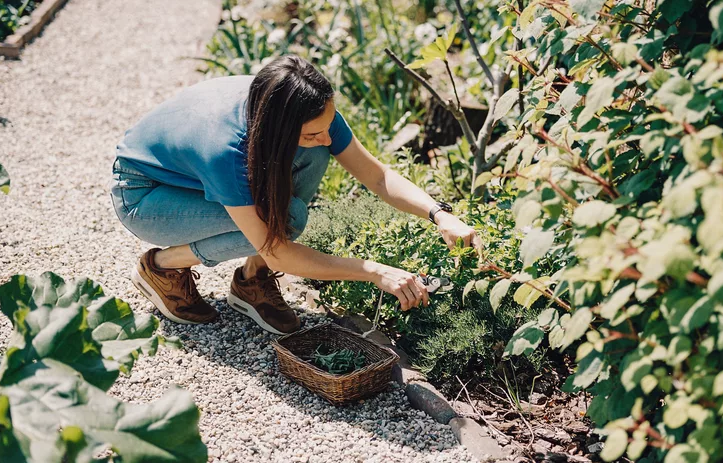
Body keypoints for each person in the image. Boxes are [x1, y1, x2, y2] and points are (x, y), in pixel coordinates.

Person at [109, 55, 481, 335]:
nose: (327, 137)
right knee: (286, 222)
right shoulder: (227, 151)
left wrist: (440, 214)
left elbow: (378, 176)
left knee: (312, 160)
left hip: (190, 176)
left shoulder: (302, 108)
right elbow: (278, 249)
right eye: (312, 133)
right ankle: (161, 266)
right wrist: (376, 272)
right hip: (146, 195)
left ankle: (252, 280)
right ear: (277, 128)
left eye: (326, 127)